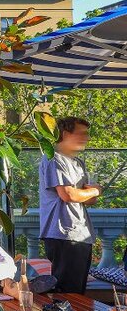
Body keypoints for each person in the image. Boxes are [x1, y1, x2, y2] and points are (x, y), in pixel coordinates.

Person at [39, 117, 99, 293]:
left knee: (78, 292)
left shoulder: (78, 163)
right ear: (65, 134)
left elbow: (88, 199)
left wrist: (88, 193)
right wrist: (95, 190)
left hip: (81, 234)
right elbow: (68, 194)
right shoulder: (53, 158)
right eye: (82, 134)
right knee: (67, 294)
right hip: (63, 234)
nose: (86, 138)